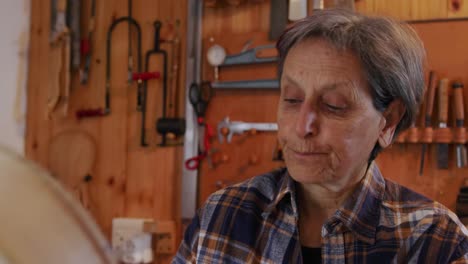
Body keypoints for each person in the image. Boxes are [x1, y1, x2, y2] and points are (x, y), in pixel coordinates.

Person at [173, 9, 468, 263]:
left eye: (333, 105)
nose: (302, 126)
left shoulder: (437, 241)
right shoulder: (220, 217)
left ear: (388, 122)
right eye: (291, 99)